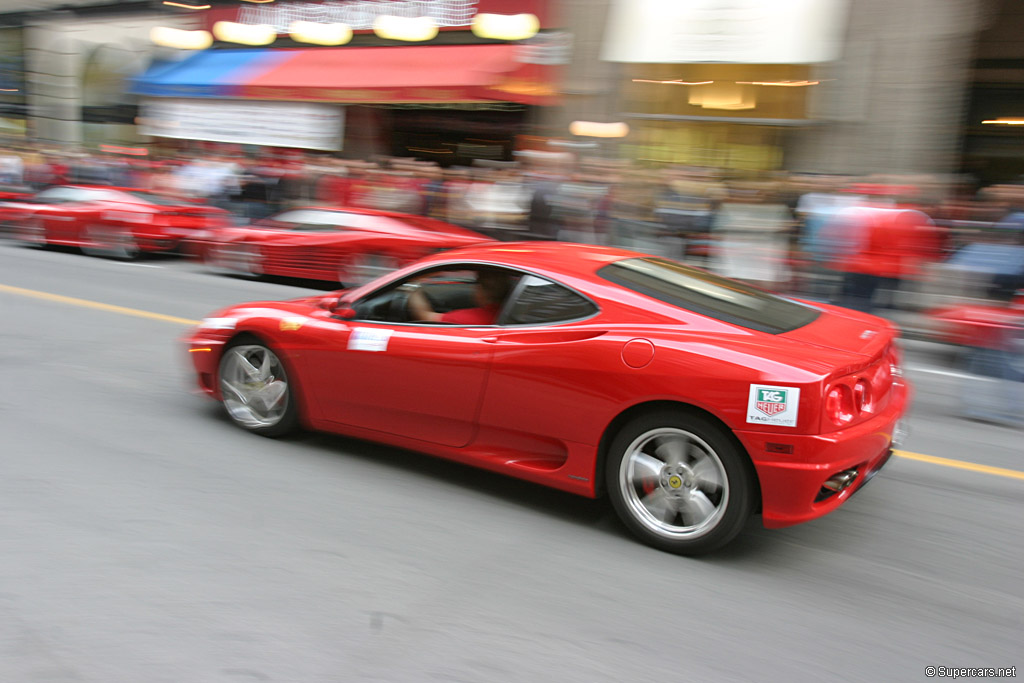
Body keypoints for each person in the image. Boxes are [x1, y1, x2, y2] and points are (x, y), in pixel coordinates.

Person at [407, 269, 513, 325]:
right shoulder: (513, 315)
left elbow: (424, 316)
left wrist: (413, 287)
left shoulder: (466, 319)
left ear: (481, 290)